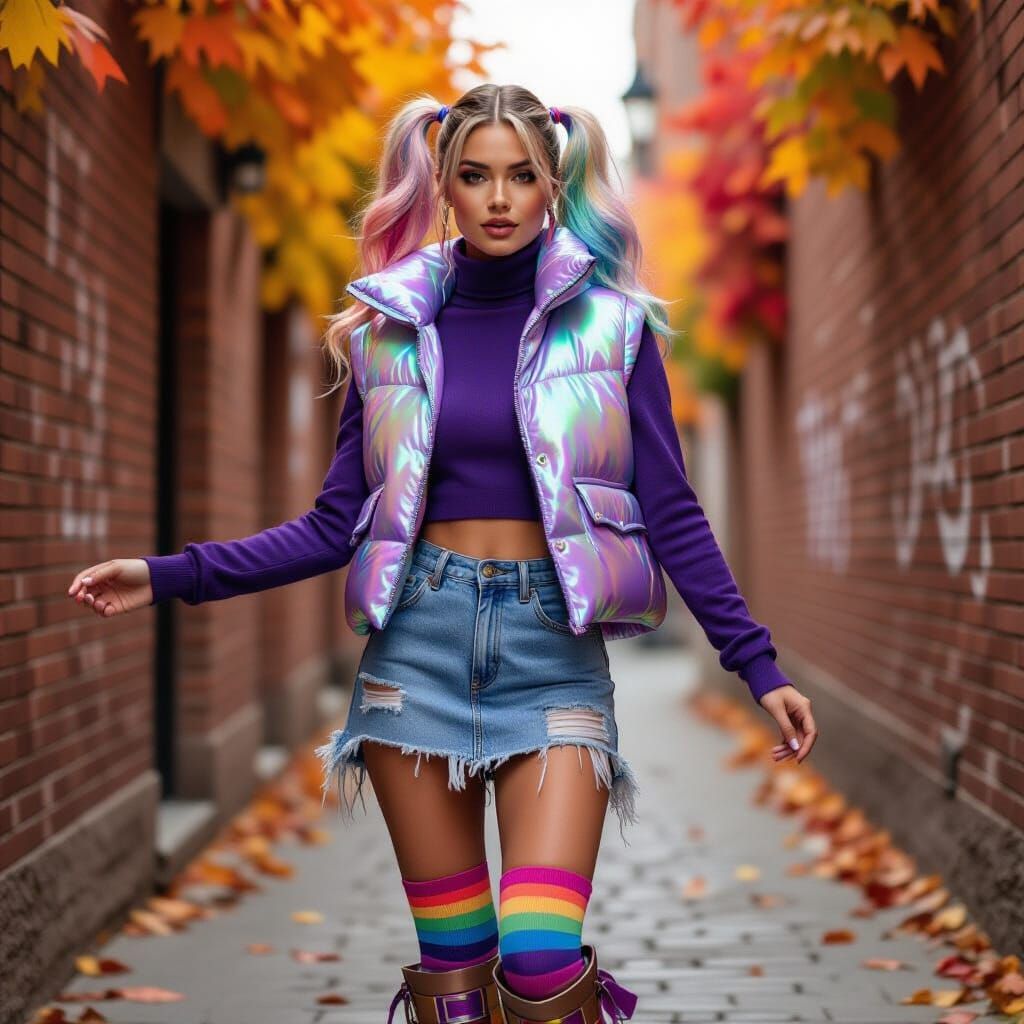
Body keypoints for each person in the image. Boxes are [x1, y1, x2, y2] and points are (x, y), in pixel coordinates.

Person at [67, 84, 818, 1024]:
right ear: (443, 185)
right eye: (474, 175)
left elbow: (670, 510)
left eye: (521, 176)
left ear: (552, 186)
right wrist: (168, 574)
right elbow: (332, 524)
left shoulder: (613, 326)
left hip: (553, 657)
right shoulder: (386, 332)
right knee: (455, 980)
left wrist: (756, 663)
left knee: (542, 967)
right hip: (415, 653)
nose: (499, 198)